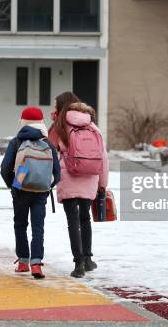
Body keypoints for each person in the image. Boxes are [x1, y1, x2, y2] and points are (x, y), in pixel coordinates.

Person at [49, 96, 109, 278]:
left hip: (68, 176)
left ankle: (78, 264)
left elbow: (49, 151)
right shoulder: (93, 127)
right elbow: (104, 158)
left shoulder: (60, 127)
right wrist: (102, 185)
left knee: (72, 221)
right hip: (89, 176)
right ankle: (88, 259)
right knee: (85, 218)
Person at [0, 107, 61, 279]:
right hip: (40, 191)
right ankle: (36, 264)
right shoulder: (47, 144)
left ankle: (23, 262)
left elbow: (5, 169)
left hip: (20, 190)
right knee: (38, 227)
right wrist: (47, 185)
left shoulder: (16, 142)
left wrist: (13, 185)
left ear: (22, 122)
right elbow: (57, 173)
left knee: (20, 225)